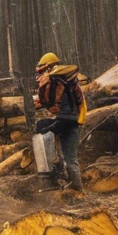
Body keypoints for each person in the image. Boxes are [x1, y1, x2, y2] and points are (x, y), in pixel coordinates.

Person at [33, 52, 87, 191]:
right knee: (68, 159)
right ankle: (72, 187)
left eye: (44, 71)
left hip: (67, 120)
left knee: (41, 128)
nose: (41, 75)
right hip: (69, 121)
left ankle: (73, 188)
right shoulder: (68, 80)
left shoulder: (58, 79)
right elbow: (78, 99)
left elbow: (53, 100)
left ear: (50, 68)